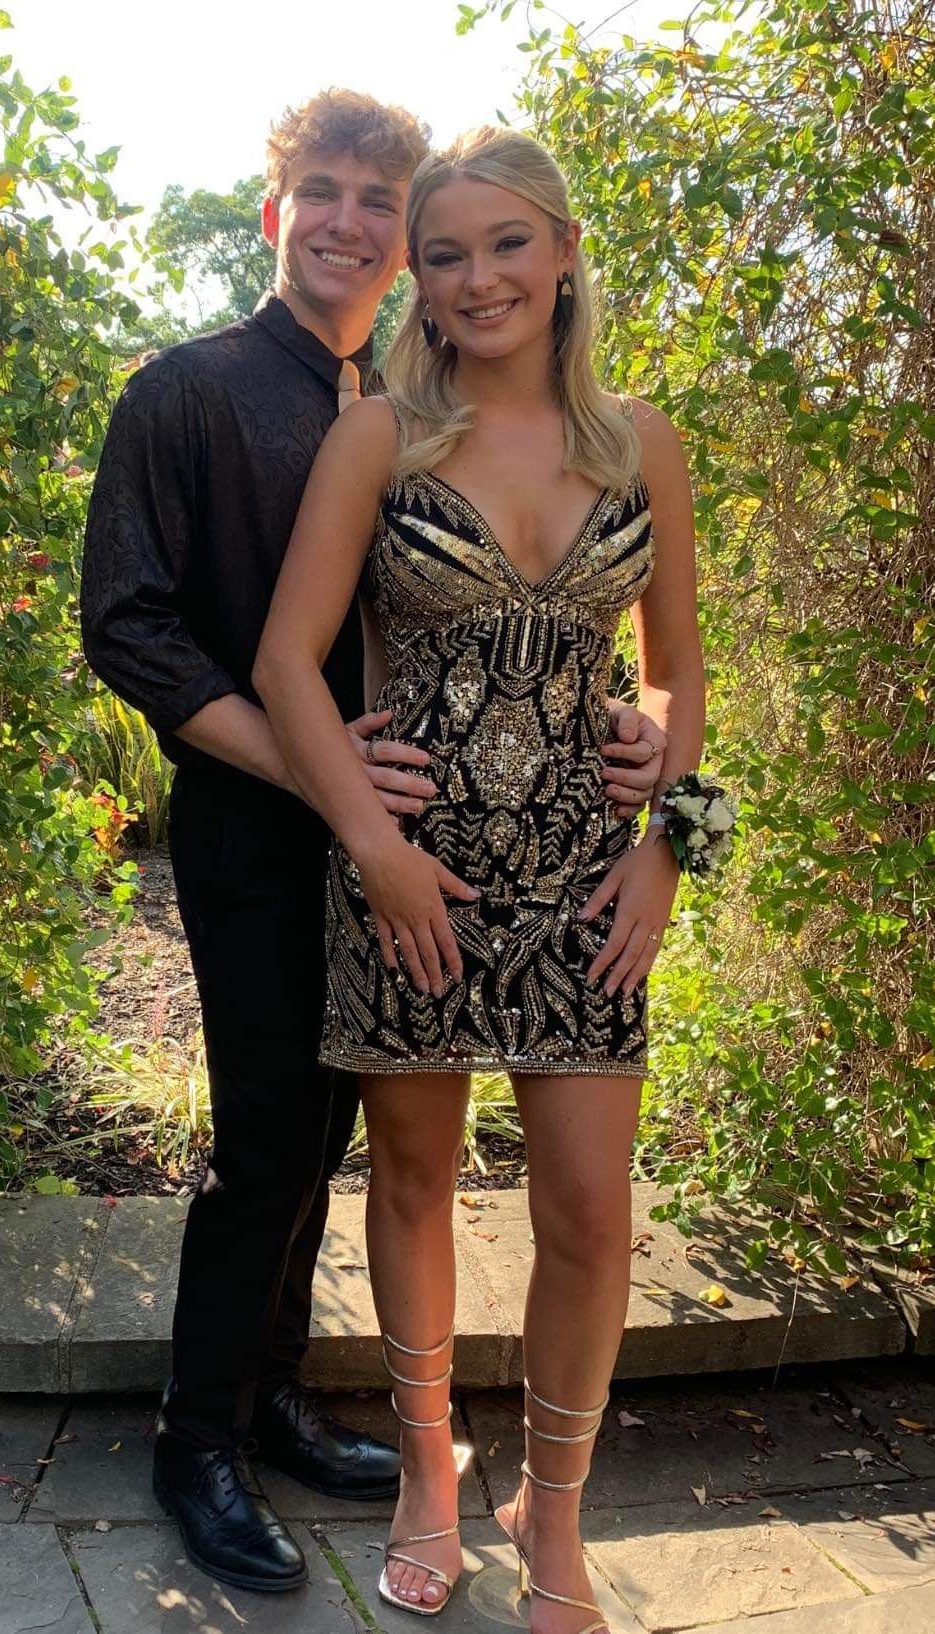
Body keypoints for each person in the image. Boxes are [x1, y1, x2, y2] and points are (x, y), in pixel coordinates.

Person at [80, 94, 669, 1597]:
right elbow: (133, 628)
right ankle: (196, 1435)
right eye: (321, 195)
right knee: (274, 1133)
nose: (349, 225)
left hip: (458, 846)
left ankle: (277, 1398)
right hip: (270, 830)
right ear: (275, 211)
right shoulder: (194, 393)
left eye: (375, 206)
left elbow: (656, 666)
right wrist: (326, 780)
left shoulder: (414, 395)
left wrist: (661, 784)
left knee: (349, 1137)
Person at [254, 125, 705, 1623]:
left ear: (565, 252)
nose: (474, 276)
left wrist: (668, 854)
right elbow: (285, 667)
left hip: (592, 887)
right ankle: (431, 1471)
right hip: (416, 883)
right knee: (418, 1178)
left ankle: (555, 1509)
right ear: (420, 286)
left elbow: (683, 680)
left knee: (589, 1207)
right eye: (442, 254)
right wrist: (373, 848)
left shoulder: (644, 444)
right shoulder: (379, 436)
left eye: (505, 242)